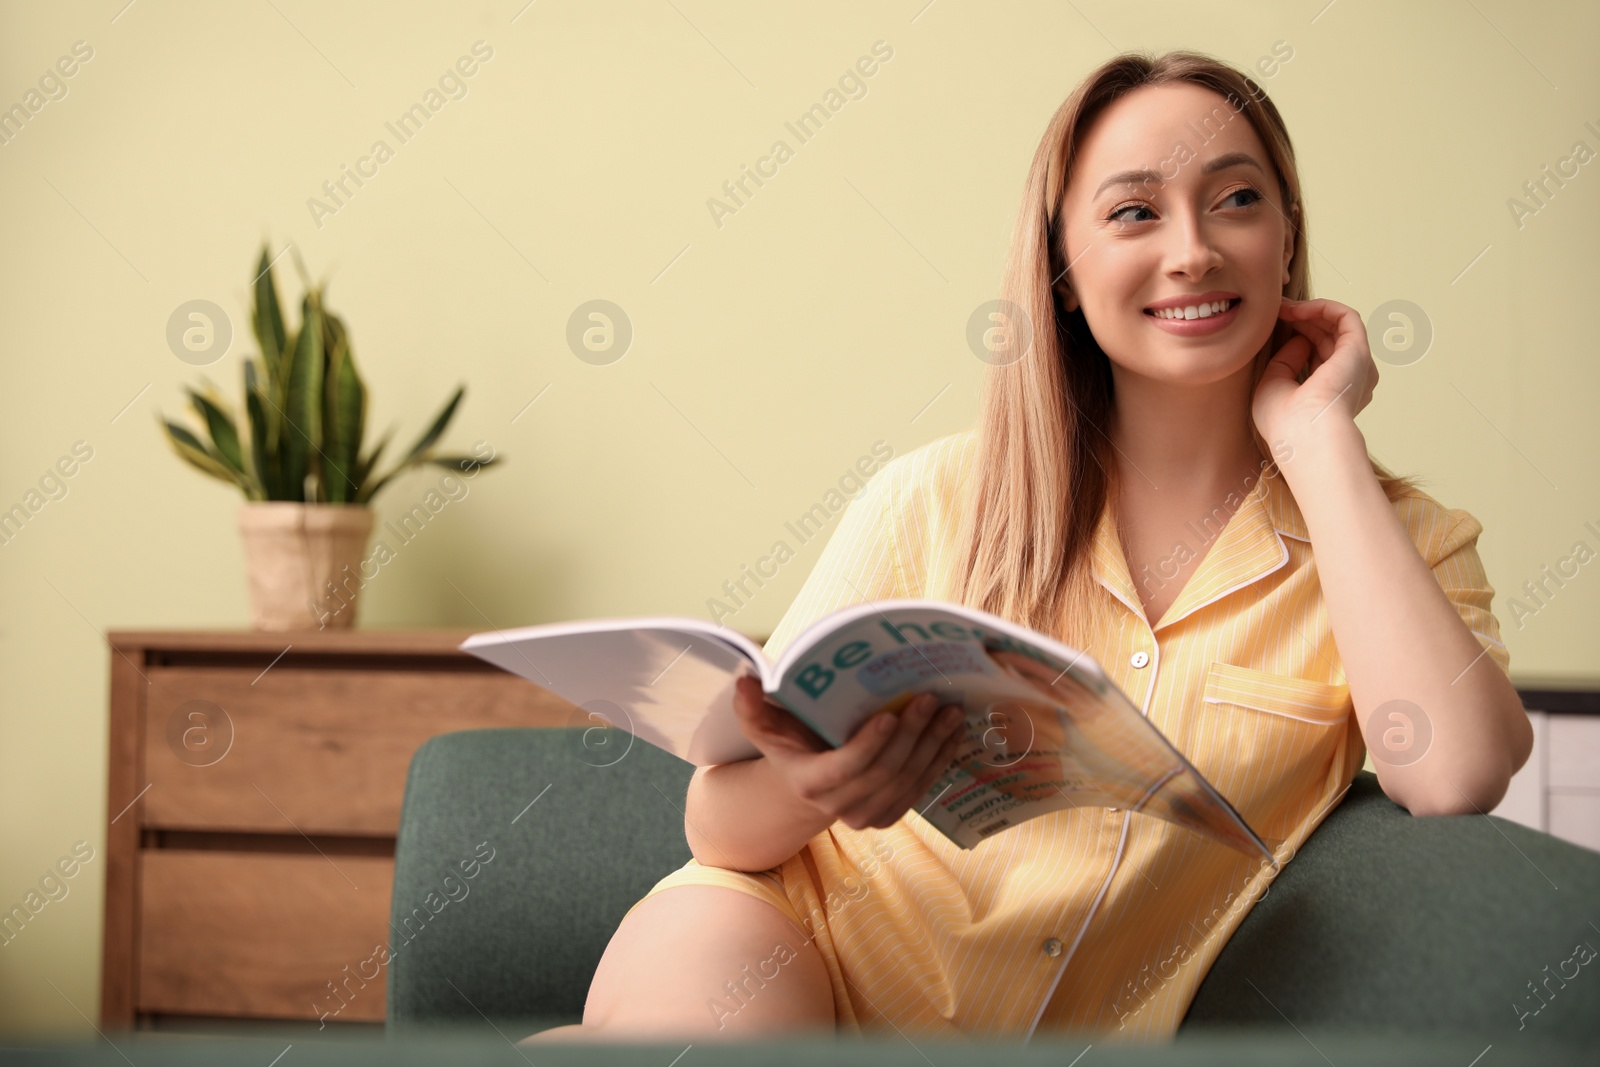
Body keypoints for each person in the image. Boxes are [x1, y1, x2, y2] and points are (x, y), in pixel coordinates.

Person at [523, 48, 1531, 1045]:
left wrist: (1316, 444)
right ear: (1060, 268)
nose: (1192, 250)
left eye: (1235, 200)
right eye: (1134, 212)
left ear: (1284, 234)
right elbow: (719, 825)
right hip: (779, 944)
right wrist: (816, 784)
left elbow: (1455, 773)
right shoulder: (929, 497)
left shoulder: (1394, 538)